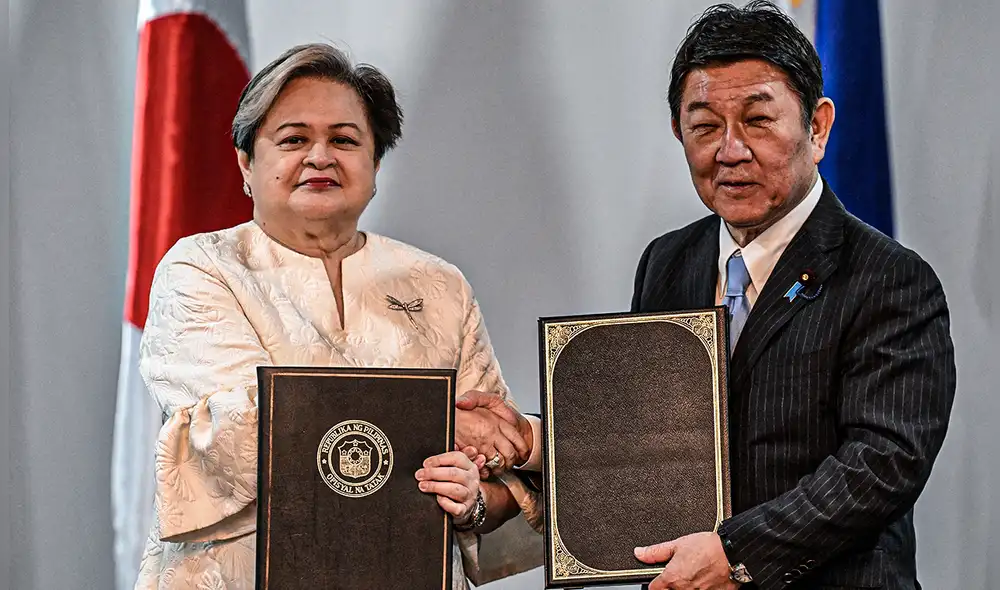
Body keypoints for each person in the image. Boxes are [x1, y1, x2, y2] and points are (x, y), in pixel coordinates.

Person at [134, 43, 541, 590]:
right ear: (247, 163)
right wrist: (436, 420)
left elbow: (504, 474)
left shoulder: (439, 284)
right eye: (294, 139)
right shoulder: (203, 267)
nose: (320, 157)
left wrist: (470, 499)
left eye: (345, 140)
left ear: (375, 164)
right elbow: (240, 435)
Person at [625, 2, 956, 589]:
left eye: (758, 121)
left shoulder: (892, 279)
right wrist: (532, 443)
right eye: (704, 126)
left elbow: (882, 463)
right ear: (678, 132)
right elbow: (645, 432)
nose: (730, 150)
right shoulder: (666, 262)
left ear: (818, 127)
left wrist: (736, 554)